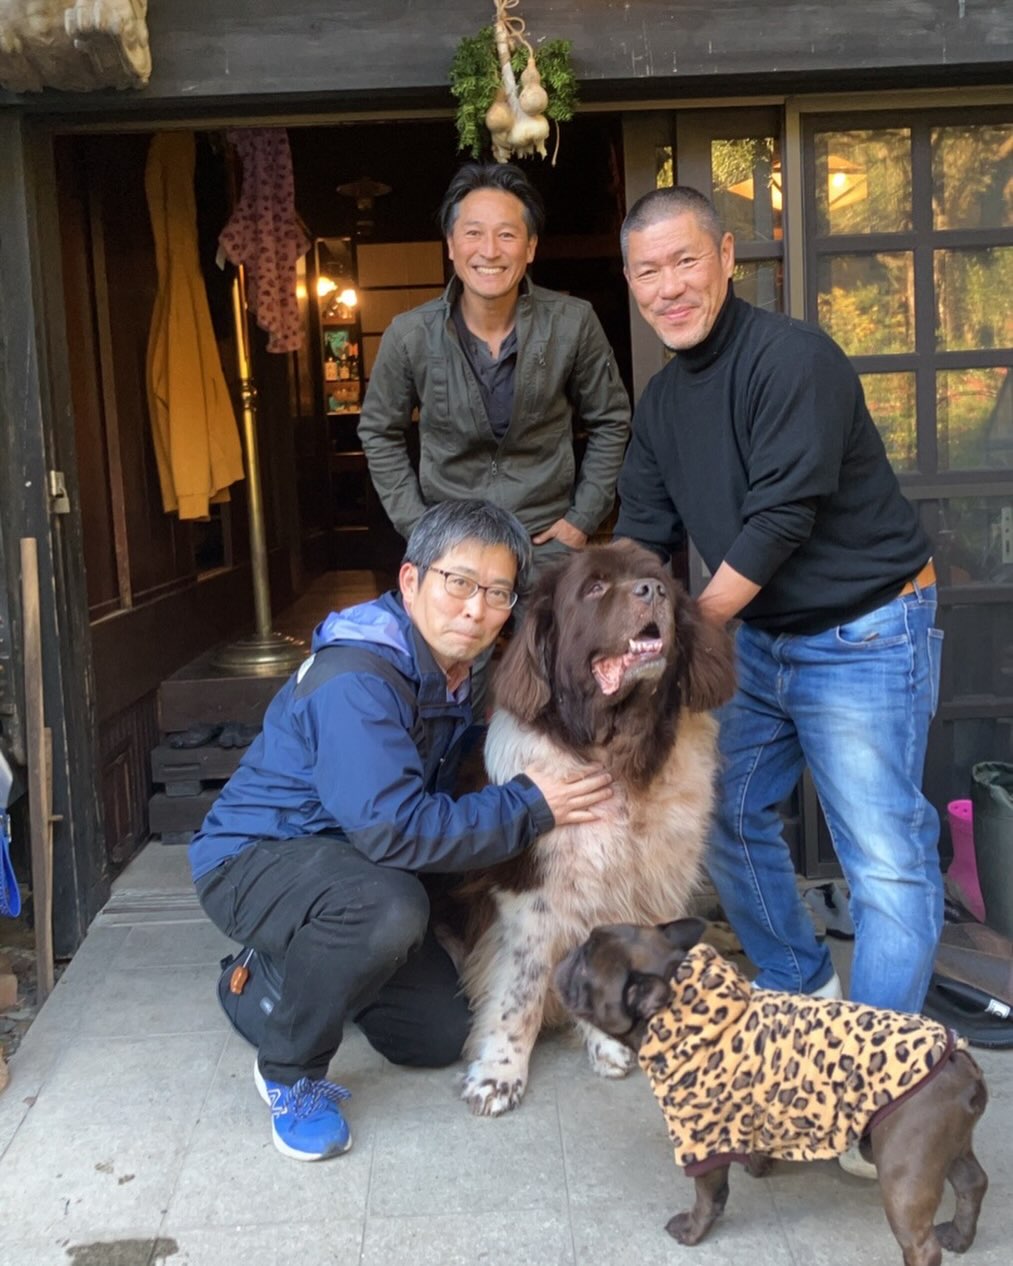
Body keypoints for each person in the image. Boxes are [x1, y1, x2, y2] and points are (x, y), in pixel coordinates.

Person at [614, 187, 943, 1069]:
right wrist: (607, 638)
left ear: (726, 258)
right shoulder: (660, 404)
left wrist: (679, 641)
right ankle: (801, 992)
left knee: (884, 857)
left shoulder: (793, 360)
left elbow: (778, 520)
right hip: (759, 639)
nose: (668, 286)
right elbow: (641, 540)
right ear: (631, 284)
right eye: (647, 271)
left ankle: (872, 1077)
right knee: (722, 810)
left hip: (866, 629)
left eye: (685, 260)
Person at [189, 500, 612, 1162]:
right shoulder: (357, 677)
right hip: (258, 859)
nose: (475, 610)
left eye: (497, 593)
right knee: (388, 908)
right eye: (459, 583)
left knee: (435, 1034)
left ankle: (304, 973)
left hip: (352, 863)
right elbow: (394, 829)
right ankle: (289, 1071)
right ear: (411, 580)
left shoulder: (454, 671)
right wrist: (531, 805)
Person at [358, 162, 631, 711]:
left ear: (530, 247)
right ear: (451, 245)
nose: (490, 250)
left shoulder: (572, 322)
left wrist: (582, 519)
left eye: (507, 234)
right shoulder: (410, 334)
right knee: (449, 693)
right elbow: (379, 431)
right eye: (474, 233)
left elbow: (611, 419)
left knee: (568, 688)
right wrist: (419, 527)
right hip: (453, 547)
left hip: (547, 539)